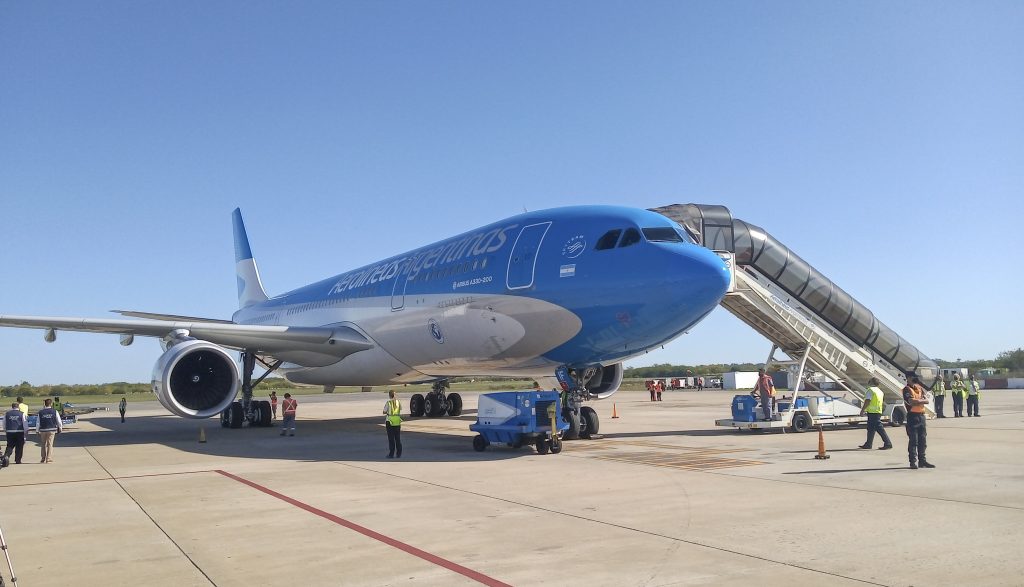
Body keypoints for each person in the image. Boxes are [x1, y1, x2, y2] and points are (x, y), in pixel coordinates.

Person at [903, 374, 934, 469]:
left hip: (921, 416)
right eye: (912, 377)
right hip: (912, 417)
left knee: (922, 440)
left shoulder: (919, 388)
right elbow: (911, 402)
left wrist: (919, 400)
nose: (915, 378)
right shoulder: (907, 389)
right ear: (908, 378)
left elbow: (927, 400)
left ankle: (922, 461)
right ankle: (913, 462)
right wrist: (922, 400)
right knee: (913, 441)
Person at [858, 378, 892, 450]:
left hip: (873, 412)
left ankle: (888, 443)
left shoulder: (870, 390)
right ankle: (868, 444)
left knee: (879, 428)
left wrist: (862, 410)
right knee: (871, 428)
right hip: (877, 411)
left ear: (871, 382)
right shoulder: (880, 391)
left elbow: (868, 400)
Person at [36, 398, 63, 463]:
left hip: (43, 430)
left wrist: (37, 430)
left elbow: (38, 422)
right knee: (50, 444)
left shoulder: (40, 412)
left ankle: (43, 458)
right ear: (51, 404)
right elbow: (59, 421)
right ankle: (48, 458)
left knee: (43, 444)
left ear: (45, 404)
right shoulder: (54, 411)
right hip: (51, 429)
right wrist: (60, 428)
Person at [383, 390, 402, 459]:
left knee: (391, 439)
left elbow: (384, 411)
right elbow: (400, 409)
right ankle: (399, 453)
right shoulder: (398, 402)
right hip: (397, 421)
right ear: (395, 395)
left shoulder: (388, 403)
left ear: (389, 395)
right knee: (398, 438)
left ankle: (391, 454)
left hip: (389, 422)